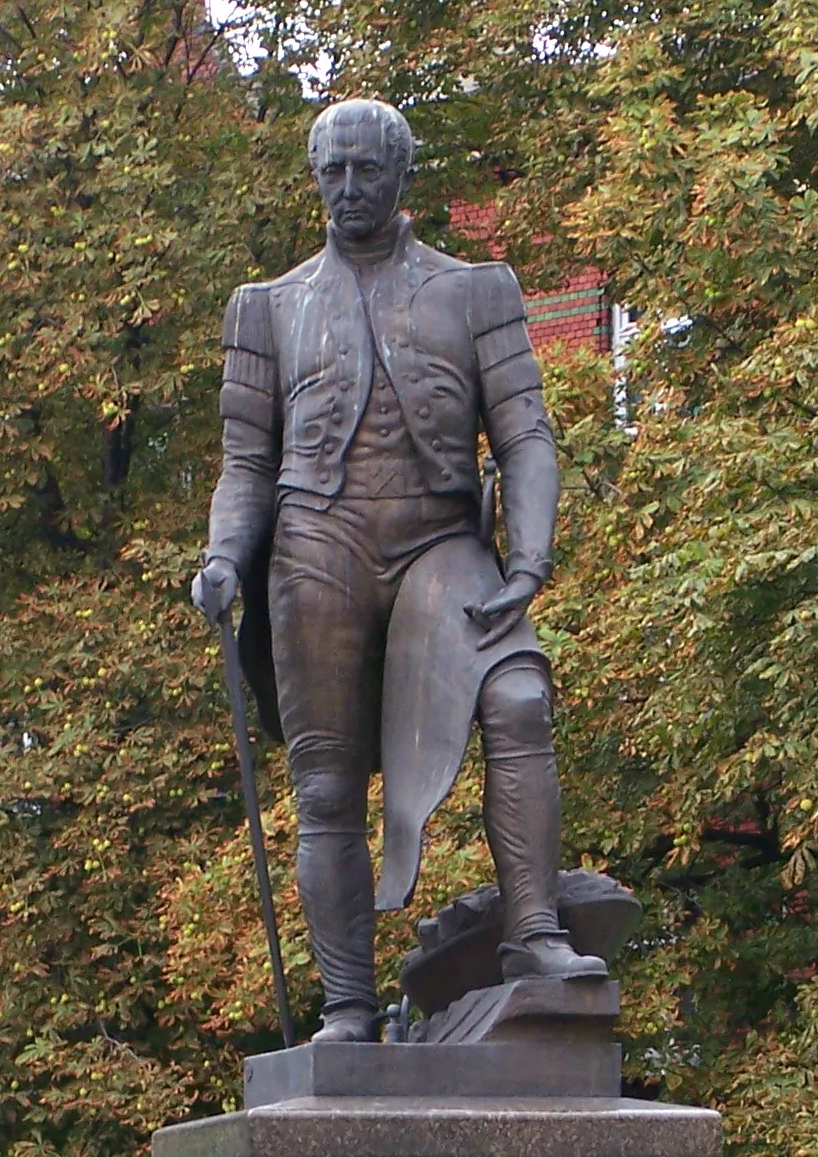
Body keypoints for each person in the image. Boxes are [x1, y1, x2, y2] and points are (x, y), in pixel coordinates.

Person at [194, 96, 605, 1041]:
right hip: (316, 549)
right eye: (330, 172)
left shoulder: (477, 291)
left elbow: (527, 436)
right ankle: (346, 1008)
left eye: (365, 170)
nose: (346, 188)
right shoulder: (266, 307)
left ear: (403, 175)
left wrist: (531, 562)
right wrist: (223, 560)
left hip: (441, 544)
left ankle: (534, 933)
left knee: (519, 701)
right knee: (328, 788)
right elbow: (246, 468)